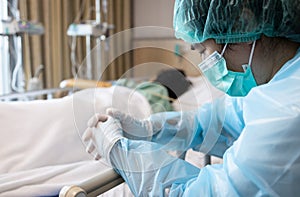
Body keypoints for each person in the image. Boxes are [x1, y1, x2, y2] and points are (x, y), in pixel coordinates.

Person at [82, 0, 300, 196]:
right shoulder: (281, 82)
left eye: (202, 49)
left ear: (242, 24)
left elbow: (191, 194)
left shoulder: (286, 113)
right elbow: (216, 121)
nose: (203, 63)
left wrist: (121, 152)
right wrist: (151, 129)